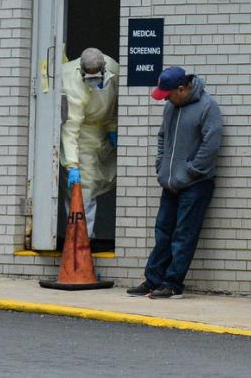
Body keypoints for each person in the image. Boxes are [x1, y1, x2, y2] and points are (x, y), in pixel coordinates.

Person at [126, 66, 223, 299]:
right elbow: (162, 136)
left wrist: (190, 171)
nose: (166, 99)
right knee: (163, 232)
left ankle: (173, 284)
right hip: (169, 182)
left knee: (184, 234)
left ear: (182, 88)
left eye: (168, 94)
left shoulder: (207, 107)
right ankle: (153, 280)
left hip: (195, 184)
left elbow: (211, 144)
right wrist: (161, 165)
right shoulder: (172, 106)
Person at [59, 47, 119, 241]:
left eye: (97, 78)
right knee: (84, 189)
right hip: (82, 135)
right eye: (89, 79)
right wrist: (72, 164)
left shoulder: (113, 68)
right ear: (81, 71)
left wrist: (112, 126)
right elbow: (70, 129)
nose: (93, 83)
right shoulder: (71, 81)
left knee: (99, 182)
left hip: (102, 130)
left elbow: (120, 99)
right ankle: (83, 240)